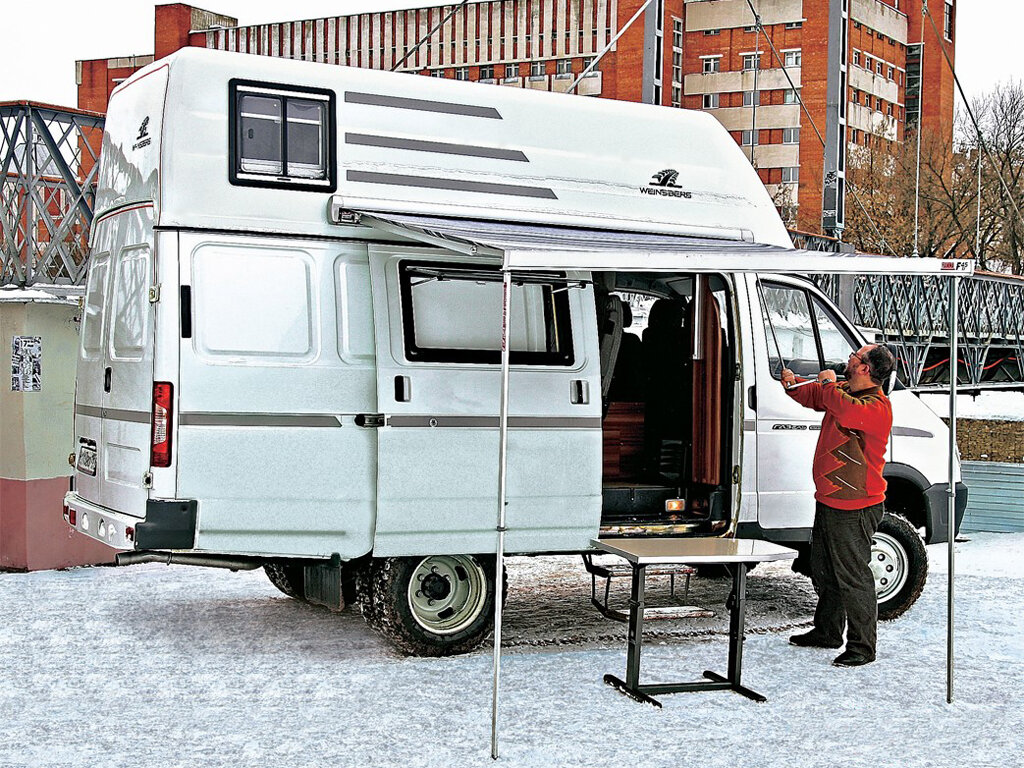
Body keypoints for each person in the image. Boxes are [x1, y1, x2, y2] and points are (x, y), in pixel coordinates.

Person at [781, 344, 896, 667]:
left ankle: (862, 646)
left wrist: (828, 385)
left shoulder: (876, 407)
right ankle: (827, 630)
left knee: (853, 576)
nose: (850, 358)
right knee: (825, 569)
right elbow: (817, 396)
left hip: (856, 504)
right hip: (831, 499)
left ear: (865, 369)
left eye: (856, 357)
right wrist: (794, 386)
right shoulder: (843, 391)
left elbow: (842, 407)